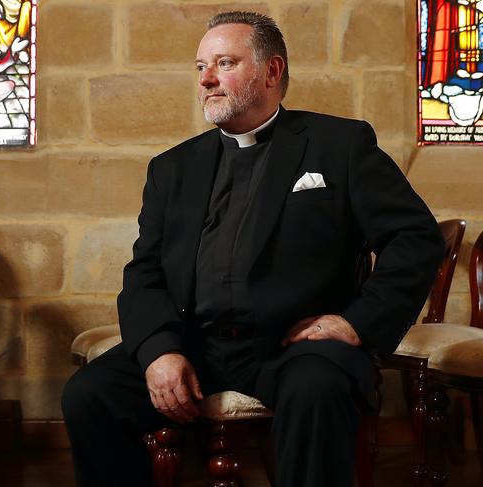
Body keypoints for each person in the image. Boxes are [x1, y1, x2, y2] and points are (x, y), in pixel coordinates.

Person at [62, 11, 444, 487]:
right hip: (197, 344)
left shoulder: (338, 146)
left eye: (224, 63)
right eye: (201, 66)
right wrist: (160, 350)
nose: (206, 79)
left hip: (296, 349)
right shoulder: (172, 168)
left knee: (318, 390)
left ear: (272, 71)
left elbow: (417, 239)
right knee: (89, 395)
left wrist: (356, 323)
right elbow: (145, 273)